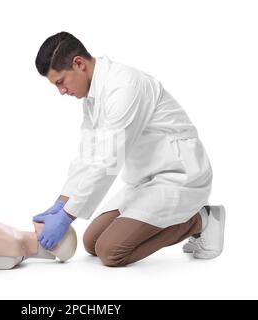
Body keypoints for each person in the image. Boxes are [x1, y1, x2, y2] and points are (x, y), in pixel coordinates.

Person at [33, 31, 225, 267]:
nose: (61, 91)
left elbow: (107, 162)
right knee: (91, 242)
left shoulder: (125, 86)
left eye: (61, 82)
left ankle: (201, 220)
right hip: (145, 179)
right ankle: (185, 219)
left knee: (111, 252)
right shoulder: (92, 98)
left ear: (79, 63)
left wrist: (66, 217)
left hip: (179, 176)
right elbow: (88, 154)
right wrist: (60, 204)